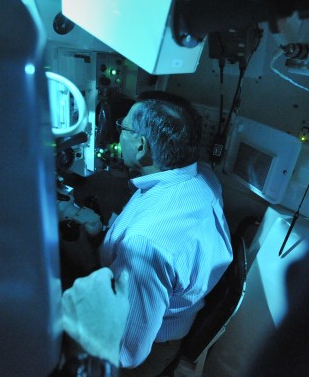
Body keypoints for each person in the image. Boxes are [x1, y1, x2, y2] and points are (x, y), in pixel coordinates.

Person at [96, 92, 233, 374]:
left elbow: (126, 352)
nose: (118, 131)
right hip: (173, 313)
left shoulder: (144, 243)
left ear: (141, 145)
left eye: (123, 127)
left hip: (144, 348)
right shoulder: (202, 175)